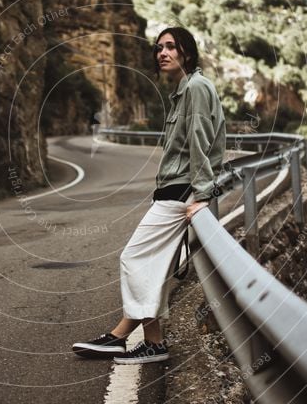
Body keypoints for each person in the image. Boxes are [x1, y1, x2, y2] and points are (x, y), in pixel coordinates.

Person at [72, 27, 226, 364]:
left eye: (171, 47)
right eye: (159, 48)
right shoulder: (186, 90)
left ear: (187, 51)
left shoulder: (196, 88)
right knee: (152, 266)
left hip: (181, 192)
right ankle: (143, 340)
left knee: (133, 257)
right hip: (174, 191)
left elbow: (200, 142)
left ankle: (132, 338)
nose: (162, 53)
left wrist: (201, 194)